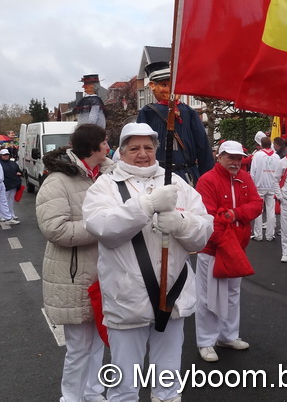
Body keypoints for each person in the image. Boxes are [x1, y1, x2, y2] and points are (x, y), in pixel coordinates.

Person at [82, 122, 213, 402]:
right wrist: (147, 205)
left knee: (168, 379)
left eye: (148, 147)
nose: (142, 154)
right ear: (121, 152)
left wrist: (181, 222)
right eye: (134, 148)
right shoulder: (105, 186)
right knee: (125, 383)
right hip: (127, 299)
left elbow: (202, 234)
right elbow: (102, 228)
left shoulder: (177, 183)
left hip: (173, 296)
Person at [37, 123, 115, 402]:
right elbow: (54, 229)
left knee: (98, 341)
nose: (109, 148)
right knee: (79, 347)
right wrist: (103, 227)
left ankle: (93, 392)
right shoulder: (57, 181)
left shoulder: (106, 175)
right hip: (73, 275)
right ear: (93, 147)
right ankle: (70, 397)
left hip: (104, 272)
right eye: (105, 143)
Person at [194, 140, 263, 362]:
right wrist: (225, 242)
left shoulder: (245, 178)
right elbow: (208, 216)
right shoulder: (207, 180)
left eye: (239, 158)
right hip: (214, 248)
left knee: (232, 294)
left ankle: (228, 336)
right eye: (231, 157)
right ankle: (206, 341)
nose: (235, 162)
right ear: (220, 157)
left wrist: (235, 214)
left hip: (236, 247)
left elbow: (257, 204)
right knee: (208, 296)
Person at [136, 61, 213, 186]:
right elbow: (139, 143)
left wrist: (207, 179)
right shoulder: (148, 112)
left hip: (187, 175)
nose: (171, 90)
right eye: (165, 85)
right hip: (157, 175)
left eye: (175, 86)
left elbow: (203, 147)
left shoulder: (189, 112)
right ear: (152, 86)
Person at [250, 136, 279, 242]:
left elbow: (253, 172)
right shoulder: (276, 156)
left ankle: (258, 235)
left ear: (261, 144)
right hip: (272, 186)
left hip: (259, 186)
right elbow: (279, 173)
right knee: (271, 211)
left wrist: (252, 185)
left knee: (258, 210)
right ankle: (270, 235)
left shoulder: (257, 155)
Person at [0, 148, 23, 222]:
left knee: (11, 200)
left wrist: (19, 173)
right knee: (4, 200)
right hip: (5, 184)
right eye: (4, 155)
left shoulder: (13, 163)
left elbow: (19, 171)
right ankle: (3, 215)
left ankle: (11, 213)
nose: (6, 156)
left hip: (13, 184)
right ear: (1, 155)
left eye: (7, 154)